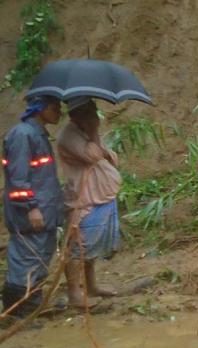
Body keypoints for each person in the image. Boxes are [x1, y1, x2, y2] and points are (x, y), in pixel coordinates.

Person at [56, 97, 122, 308]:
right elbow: (94, 155)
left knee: (90, 249)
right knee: (78, 247)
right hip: (84, 199)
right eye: (90, 111)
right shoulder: (69, 136)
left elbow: (111, 157)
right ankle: (74, 293)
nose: (95, 116)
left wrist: (95, 137)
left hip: (101, 196)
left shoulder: (87, 132)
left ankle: (91, 286)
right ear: (77, 115)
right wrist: (94, 133)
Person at [2, 95, 64, 319]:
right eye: (55, 107)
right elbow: (19, 179)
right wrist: (31, 207)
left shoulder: (37, 135)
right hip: (30, 213)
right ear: (41, 108)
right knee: (26, 259)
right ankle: (17, 313)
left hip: (44, 210)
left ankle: (32, 306)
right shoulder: (23, 135)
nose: (59, 111)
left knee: (37, 258)